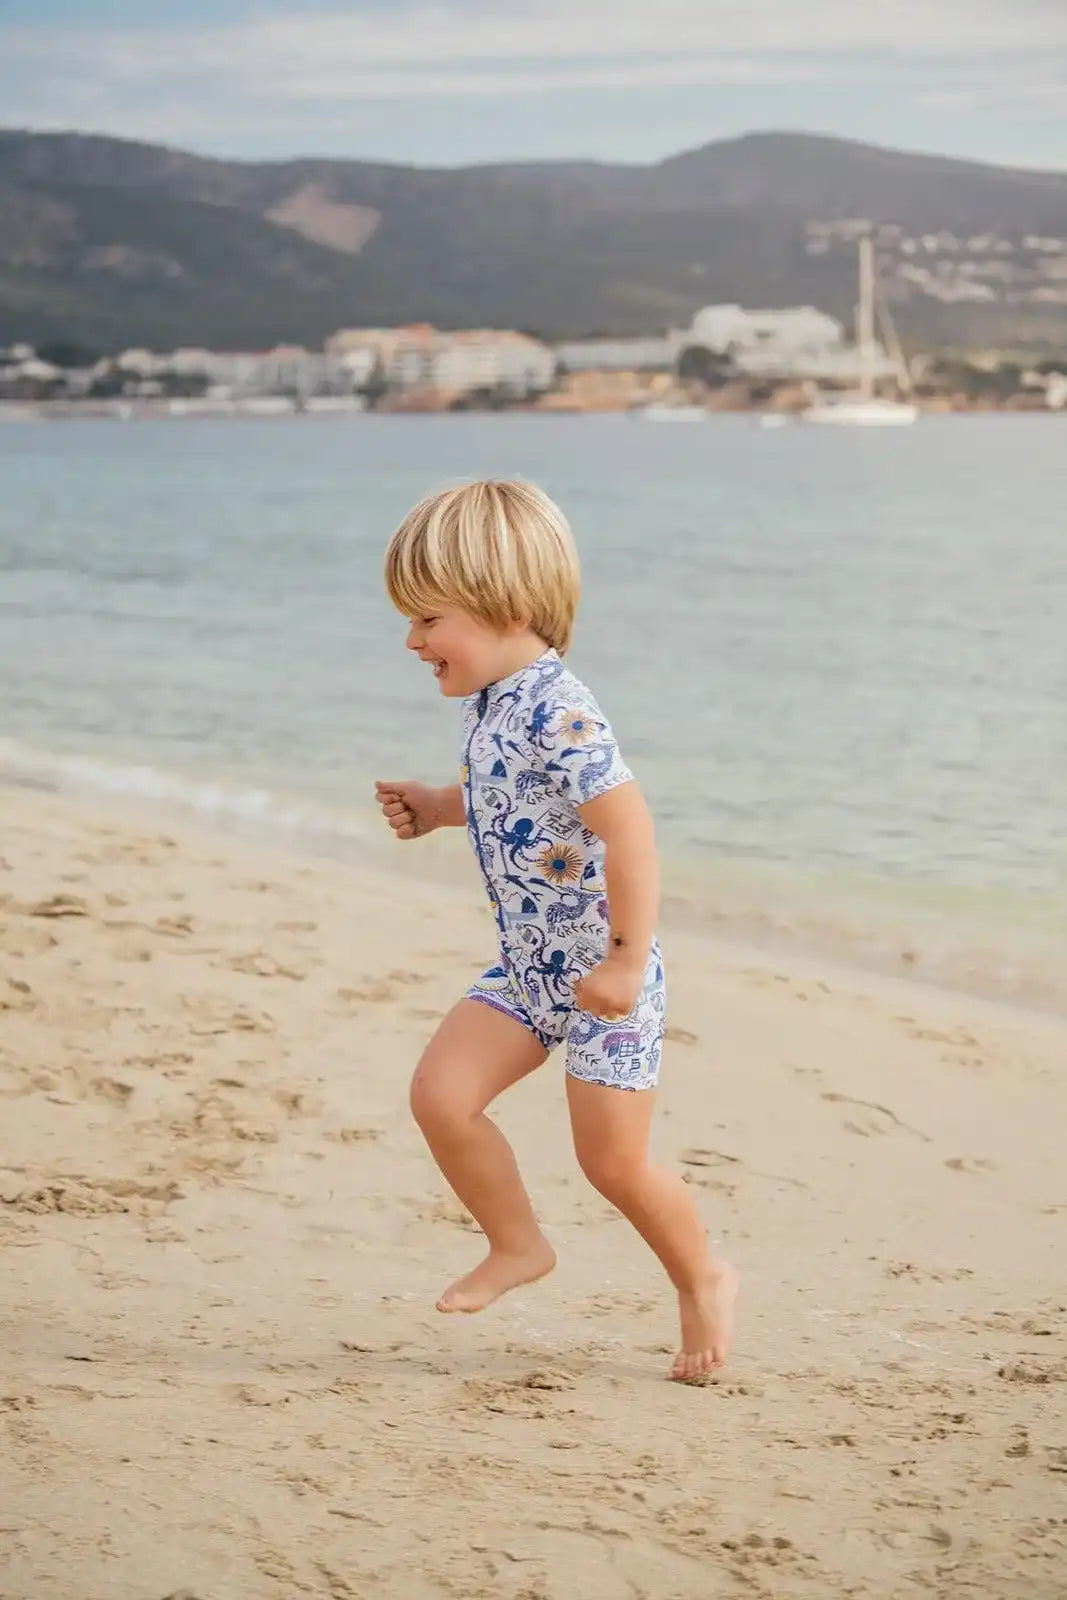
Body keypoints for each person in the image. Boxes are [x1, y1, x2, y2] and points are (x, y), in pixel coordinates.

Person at [376, 480, 737, 1380]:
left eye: (428, 619)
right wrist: (439, 806)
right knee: (440, 1097)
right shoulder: (494, 705)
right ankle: (516, 1244)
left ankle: (702, 1277)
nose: (412, 641)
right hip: (528, 973)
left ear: (509, 607)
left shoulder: (558, 708)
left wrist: (623, 962)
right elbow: (520, 801)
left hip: (604, 981)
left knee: (613, 1164)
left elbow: (629, 830)